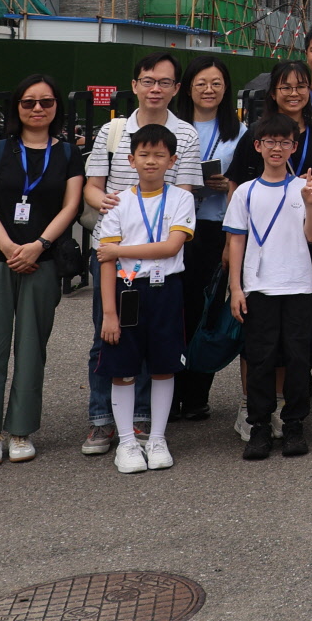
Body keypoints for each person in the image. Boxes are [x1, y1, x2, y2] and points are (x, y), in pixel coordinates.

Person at [81, 52, 198, 456]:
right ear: (134, 85)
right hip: (113, 250)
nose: (155, 89)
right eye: (148, 80)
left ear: (176, 88)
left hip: (156, 258)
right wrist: (106, 204)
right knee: (107, 334)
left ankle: (143, 417)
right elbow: (91, 186)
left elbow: (184, 191)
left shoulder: (186, 135)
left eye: (164, 82)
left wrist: (124, 245)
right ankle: (102, 418)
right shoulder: (113, 131)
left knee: (154, 341)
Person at [0, 75, 83, 467]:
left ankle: (21, 430)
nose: (37, 109)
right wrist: (8, 247)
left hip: (41, 261)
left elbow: (71, 206)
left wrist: (39, 245)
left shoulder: (68, 153)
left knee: (32, 348)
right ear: (16, 106)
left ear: (56, 107)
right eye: (29, 102)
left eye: (46, 102)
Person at [228, 60, 312, 436]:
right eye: (285, 86)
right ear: (273, 92)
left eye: (300, 86)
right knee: (259, 341)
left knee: (296, 342)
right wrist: (231, 260)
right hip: (259, 255)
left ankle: (286, 410)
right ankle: (252, 409)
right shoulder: (256, 135)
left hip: (300, 252)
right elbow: (237, 187)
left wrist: (310, 194)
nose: (294, 93)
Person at [225, 113, 312, 460]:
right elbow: (236, 241)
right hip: (259, 287)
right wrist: (236, 288)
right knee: (260, 358)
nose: (277, 148)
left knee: (298, 358)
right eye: (270, 141)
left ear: (293, 147)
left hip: (298, 285)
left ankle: (294, 424)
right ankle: (259, 426)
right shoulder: (245, 192)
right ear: (258, 146)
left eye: (285, 142)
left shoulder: (304, 188)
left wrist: (311, 203)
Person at [94, 124, 196, 473]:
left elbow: (171, 247)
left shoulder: (181, 198)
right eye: (144, 154)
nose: (151, 161)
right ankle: (126, 442)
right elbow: (106, 262)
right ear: (131, 159)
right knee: (122, 368)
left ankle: (157, 438)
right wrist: (109, 313)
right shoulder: (118, 201)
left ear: (172, 161)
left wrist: (118, 250)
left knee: (164, 367)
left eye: (159, 155)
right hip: (127, 291)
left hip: (166, 289)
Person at [172, 56, 242, 422]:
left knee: (206, 309)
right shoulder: (172, 126)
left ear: (226, 88)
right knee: (173, 308)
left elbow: (248, 184)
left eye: (216, 83)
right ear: (187, 88)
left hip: (216, 228)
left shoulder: (239, 132)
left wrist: (227, 184)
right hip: (173, 228)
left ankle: (197, 394)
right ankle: (168, 394)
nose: (209, 90)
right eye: (201, 83)